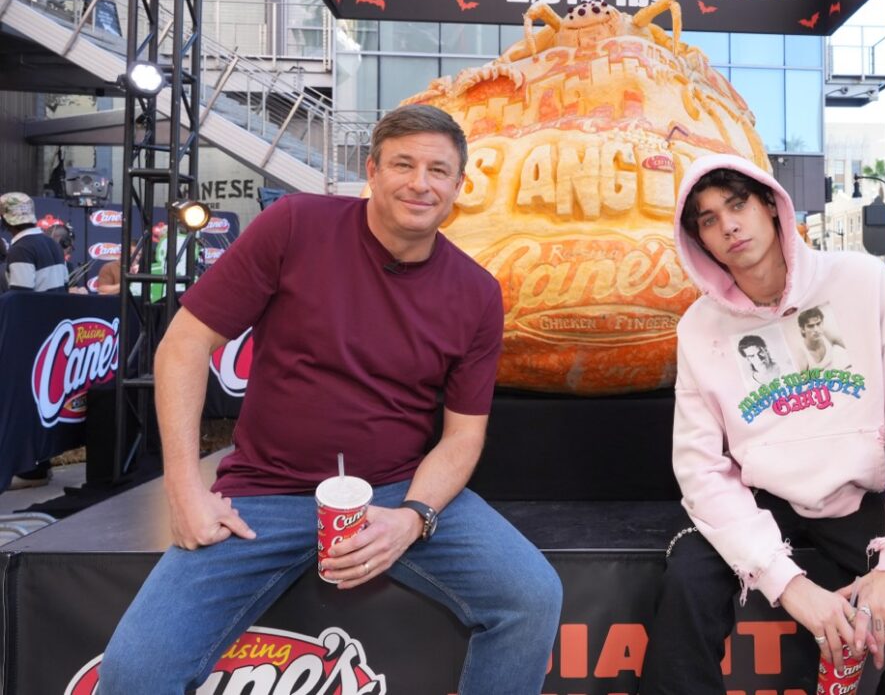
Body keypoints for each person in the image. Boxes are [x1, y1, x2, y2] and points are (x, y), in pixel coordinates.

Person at [99, 104, 563, 694]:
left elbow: (463, 436)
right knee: (134, 672)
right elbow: (184, 345)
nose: (420, 183)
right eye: (403, 164)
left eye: (438, 171)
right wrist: (185, 489)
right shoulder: (296, 225)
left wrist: (413, 518)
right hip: (263, 493)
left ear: (458, 188)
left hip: (394, 490)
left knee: (532, 597)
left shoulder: (476, 292)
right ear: (371, 170)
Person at [639, 154, 885, 694]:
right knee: (685, 589)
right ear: (699, 241)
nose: (728, 225)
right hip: (759, 497)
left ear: (771, 206)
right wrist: (787, 584)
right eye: (708, 219)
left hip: (854, 495)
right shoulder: (699, 327)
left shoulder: (862, 281)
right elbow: (699, 467)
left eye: (737, 204)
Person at [2, 192, 69, 489]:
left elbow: (20, 298)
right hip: (51, 335)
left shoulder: (21, 249)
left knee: (22, 402)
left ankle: (30, 471)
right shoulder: (50, 243)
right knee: (43, 402)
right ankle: (41, 466)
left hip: (28, 337)